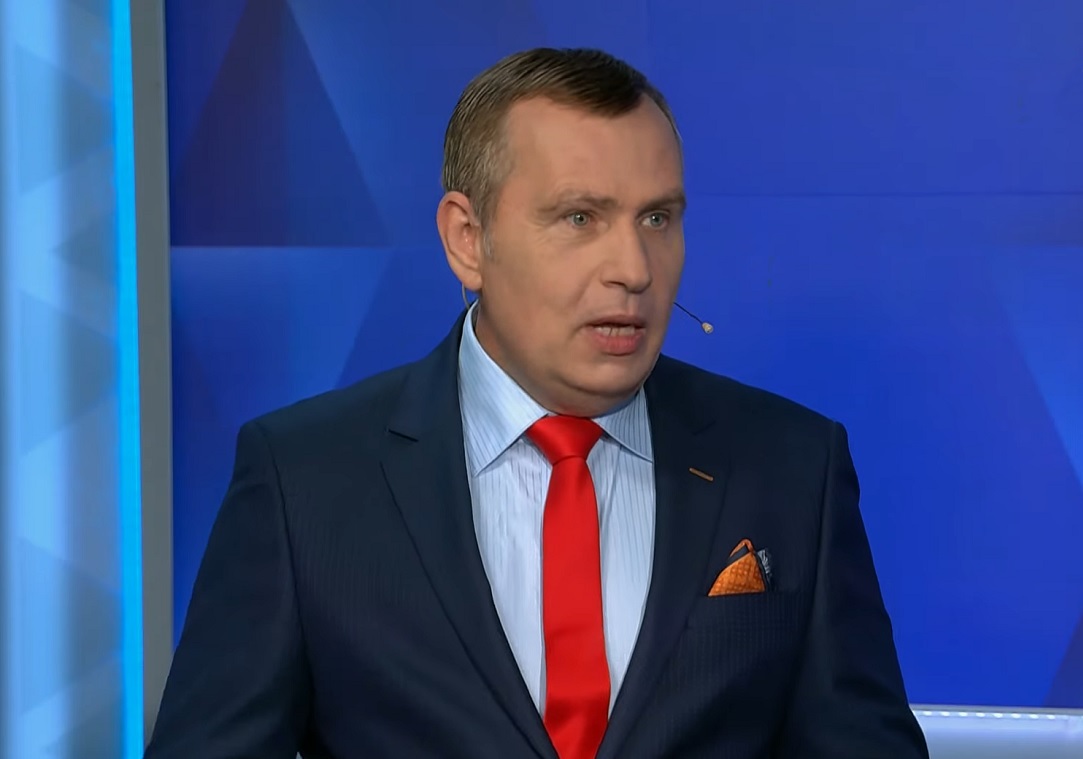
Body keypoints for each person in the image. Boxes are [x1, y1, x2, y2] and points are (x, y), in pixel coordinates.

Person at [145, 48, 929, 759]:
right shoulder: (303, 479)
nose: (633, 267)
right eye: (579, 218)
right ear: (467, 239)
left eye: (657, 218)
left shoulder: (791, 464)